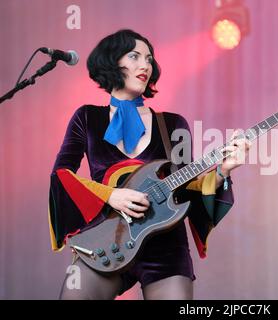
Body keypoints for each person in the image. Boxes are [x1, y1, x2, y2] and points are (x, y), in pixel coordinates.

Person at [48, 29, 250, 300]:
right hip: (107, 241)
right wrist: (112, 195)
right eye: (135, 56)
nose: (146, 65)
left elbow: (186, 189)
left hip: (166, 248)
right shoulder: (87, 117)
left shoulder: (173, 124)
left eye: (149, 58)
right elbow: (62, 176)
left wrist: (222, 172)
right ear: (111, 60)